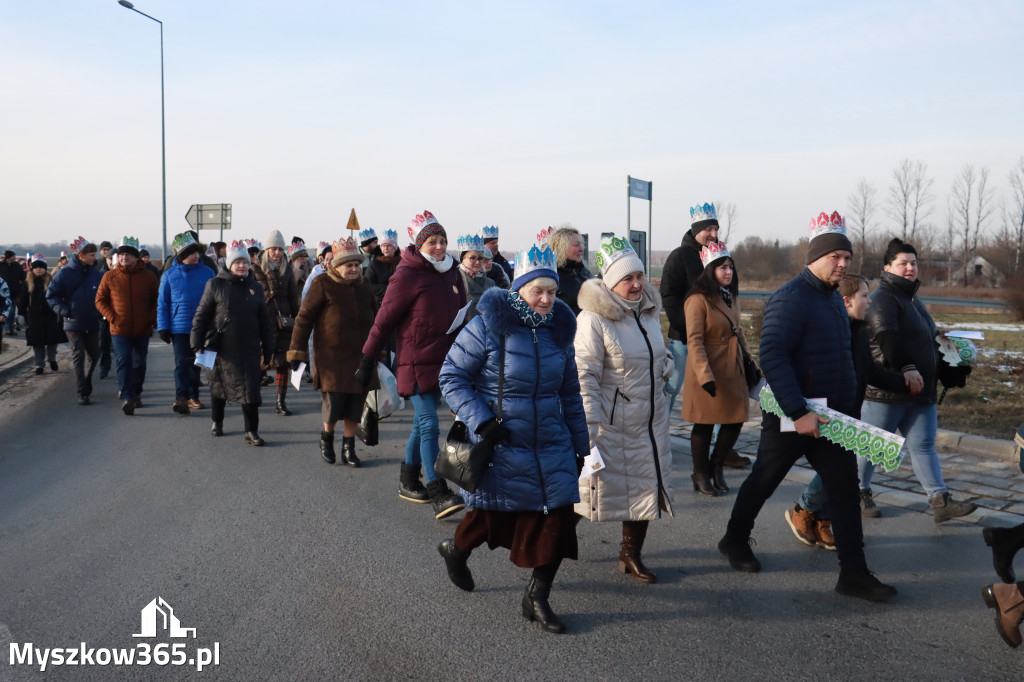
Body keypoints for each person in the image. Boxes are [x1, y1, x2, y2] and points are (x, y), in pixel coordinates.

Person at [718, 211, 897, 603]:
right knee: (765, 478)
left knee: (845, 491)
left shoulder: (833, 299)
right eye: (836, 256)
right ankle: (733, 539)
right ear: (815, 256)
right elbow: (774, 355)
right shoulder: (790, 298)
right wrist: (798, 412)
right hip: (793, 414)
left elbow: (840, 357)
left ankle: (853, 572)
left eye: (847, 257)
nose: (843, 264)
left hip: (831, 420)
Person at [438, 242, 589, 633]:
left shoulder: (559, 329)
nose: (546, 299)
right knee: (490, 516)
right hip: (502, 442)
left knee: (559, 516)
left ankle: (536, 596)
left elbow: (570, 394)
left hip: (551, 441)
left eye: (552, 292)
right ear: (518, 289)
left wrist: (579, 446)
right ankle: (456, 550)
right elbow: (451, 377)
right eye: (537, 291)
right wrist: (483, 421)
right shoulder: (489, 325)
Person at [574, 235, 674, 584]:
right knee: (588, 490)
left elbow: (653, 351)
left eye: (639, 276)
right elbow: (584, 374)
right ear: (610, 282)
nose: (636, 284)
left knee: (645, 487)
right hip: (610, 423)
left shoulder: (646, 310)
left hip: (649, 418)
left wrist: (667, 363)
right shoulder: (593, 319)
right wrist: (586, 426)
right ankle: (550, 546)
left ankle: (630, 554)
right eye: (627, 279)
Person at [785, 274, 910, 549]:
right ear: (846, 301)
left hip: (849, 413)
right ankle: (803, 510)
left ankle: (822, 519)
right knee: (835, 471)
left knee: (840, 471)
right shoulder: (829, 332)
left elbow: (870, 372)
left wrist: (904, 383)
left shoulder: (859, 332)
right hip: (823, 412)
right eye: (865, 295)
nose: (870, 301)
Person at [857, 237, 977, 523]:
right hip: (887, 390)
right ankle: (859, 491)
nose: (910, 268)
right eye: (903, 263)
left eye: (913, 263)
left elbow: (923, 338)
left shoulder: (912, 300)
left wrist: (943, 342)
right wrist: (909, 367)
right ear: (888, 267)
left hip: (920, 390)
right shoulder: (883, 298)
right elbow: (887, 340)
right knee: (871, 446)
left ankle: (940, 500)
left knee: (923, 446)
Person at [359, 210, 467, 517]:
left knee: (422, 425)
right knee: (431, 424)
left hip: (444, 363)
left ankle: (408, 480)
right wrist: (368, 358)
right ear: (419, 244)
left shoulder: (450, 273)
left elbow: (461, 316)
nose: (439, 246)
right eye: (432, 241)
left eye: (443, 240)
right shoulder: (407, 274)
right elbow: (383, 320)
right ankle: (438, 492)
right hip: (415, 361)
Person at [288, 236, 379, 466]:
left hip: (360, 356)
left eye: (357, 265)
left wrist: (379, 350)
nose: (354, 269)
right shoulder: (322, 284)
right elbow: (304, 319)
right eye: (349, 265)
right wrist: (297, 351)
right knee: (334, 402)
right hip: (331, 358)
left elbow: (377, 320)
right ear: (336, 266)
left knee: (355, 403)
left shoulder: (365, 286)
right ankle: (327, 438)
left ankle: (349, 446)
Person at [681, 241, 751, 496]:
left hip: (732, 366)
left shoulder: (730, 296)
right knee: (705, 423)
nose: (728, 272)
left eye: (730, 267)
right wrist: (704, 376)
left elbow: (738, 332)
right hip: (708, 367)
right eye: (722, 268)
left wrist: (749, 360)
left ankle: (716, 465)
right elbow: (695, 340)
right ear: (710, 270)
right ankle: (700, 474)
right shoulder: (697, 299)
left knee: (735, 419)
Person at [191, 240, 276, 445]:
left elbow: (265, 320)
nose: (242, 266)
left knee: (251, 391)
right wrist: (196, 341)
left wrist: (269, 347)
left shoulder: (255, 287)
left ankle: (251, 431)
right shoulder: (215, 284)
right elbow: (201, 315)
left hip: (249, 348)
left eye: (245, 262)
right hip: (221, 348)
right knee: (219, 386)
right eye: (237, 262)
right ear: (229, 264)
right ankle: (217, 421)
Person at [94, 237, 159, 416]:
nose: (123, 258)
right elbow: (100, 300)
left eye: (128, 255)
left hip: (142, 328)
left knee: (139, 363)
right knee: (123, 361)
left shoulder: (148, 276)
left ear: (136, 257)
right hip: (119, 328)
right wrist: (111, 316)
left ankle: (137, 392)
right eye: (121, 255)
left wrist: (150, 319)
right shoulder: (110, 276)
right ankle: (127, 397)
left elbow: (157, 300)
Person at [157, 232, 216, 414]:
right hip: (179, 327)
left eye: (197, 252)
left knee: (196, 362)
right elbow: (163, 303)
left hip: (201, 326)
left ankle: (193, 395)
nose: (196, 256)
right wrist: (163, 327)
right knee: (181, 363)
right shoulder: (169, 275)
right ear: (182, 256)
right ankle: (181, 397)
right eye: (191, 253)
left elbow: (215, 300)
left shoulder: (207, 273)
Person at [46, 238, 103, 404]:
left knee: (94, 355)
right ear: (81, 256)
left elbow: (103, 296)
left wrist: (101, 312)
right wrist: (66, 311)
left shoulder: (96, 274)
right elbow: (51, 296)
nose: (95, 257)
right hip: (73, 322)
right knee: (78, 354)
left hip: (92, 321)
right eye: (92, 255)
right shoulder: (64, 274)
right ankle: (82, 392)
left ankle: (86, 380)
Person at [253, 229, 300, 417]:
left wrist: (297, 321)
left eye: (280, 249)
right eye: (273, 249)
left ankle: (281, 401)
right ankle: (253, 395)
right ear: (267, 249)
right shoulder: (255, 269)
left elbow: (292, 297)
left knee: (283, 363)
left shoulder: (287, 269)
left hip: (283, 322)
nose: (277, 253)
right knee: (259, 361)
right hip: (261, 321)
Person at [19, 254, 67, 374]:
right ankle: (39, 365)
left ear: (45, 268)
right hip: (34, 317)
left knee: (52, 340)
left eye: (41, 267)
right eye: (36, 267)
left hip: (51, 315)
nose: (38, 269)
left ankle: (52, 359)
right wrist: (21, 314)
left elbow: (60, 296)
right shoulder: (27, 283)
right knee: (37, 342)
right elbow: (23, 299)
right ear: (32, 269)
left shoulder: (52, 281)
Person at [548, 226, 591, 315]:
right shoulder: (552, 276)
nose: (582, 249)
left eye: (581, 244)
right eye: (576, 245)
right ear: (561, 247)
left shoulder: (584, 271)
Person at [456, 233, 496, 324]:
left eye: (481, 258)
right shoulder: (455, 279)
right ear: (463, 258)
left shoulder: (490, 283)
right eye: (473, 258)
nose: (477, 262)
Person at [365, 229, 401, 305]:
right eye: (383, 246)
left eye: (389, 246)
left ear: (394, 247)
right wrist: (390, 289)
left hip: (399, 302)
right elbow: (368, 285)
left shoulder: (402, 263)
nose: (385, 248)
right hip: (380, 304)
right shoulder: (375, 264)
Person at [0, 249, 26, 335]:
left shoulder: (16, 266)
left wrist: (21, 286)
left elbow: (23, 277)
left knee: (11, 312)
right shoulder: (1, 265)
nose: (15, 258)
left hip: (13, 292)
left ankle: (9, 328)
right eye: (13, 256)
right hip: (2, 293)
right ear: (8, 257)